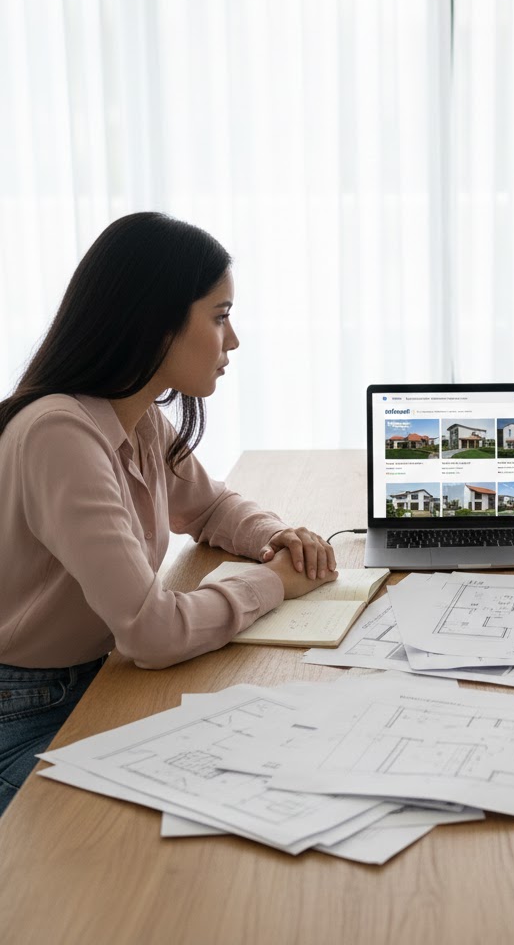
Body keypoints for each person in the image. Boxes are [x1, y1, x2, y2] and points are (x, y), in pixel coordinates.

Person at [0, 212, 339, 816]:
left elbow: (207, 506)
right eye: (220, 316)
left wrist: (273, 534)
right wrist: (272, 583)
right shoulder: (60, 435)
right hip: (28, 712)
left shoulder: (136, 415)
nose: (232, 340)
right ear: (156, 324)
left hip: (95, 679)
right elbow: (151, 634)